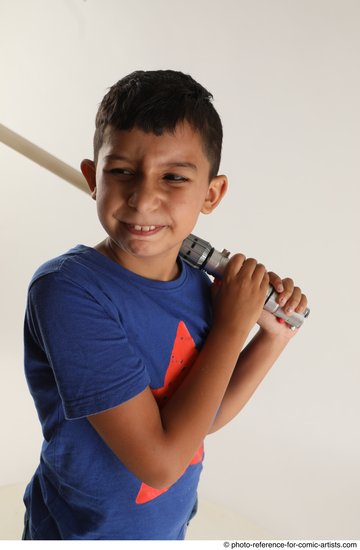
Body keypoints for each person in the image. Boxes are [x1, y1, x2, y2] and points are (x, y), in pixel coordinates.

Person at [22, 69, 307, 540]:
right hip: (81, 533)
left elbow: (200, 418)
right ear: (93, 178)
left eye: (174, 177)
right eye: (121, 172)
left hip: (164, 527)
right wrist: (231, 328)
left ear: (211, 194)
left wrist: (271, 335)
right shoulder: (68, 291)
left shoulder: (199, 285)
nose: (143, 197)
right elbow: (160, 463)